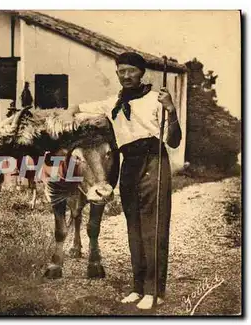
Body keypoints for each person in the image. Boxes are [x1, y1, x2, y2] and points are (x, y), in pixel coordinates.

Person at [77, 52, 182, 310]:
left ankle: (154, 291)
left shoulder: (156, 99)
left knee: (152, 226)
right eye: (121, 71)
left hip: (153, 160)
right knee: (133, 227)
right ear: (117, 73)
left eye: (131, 71)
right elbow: (77, 109)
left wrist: (171, 109)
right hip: (129, 164)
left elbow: (174, 140)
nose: (126, 76)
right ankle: (138, 288)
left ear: (141, 73)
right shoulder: (112, 101)